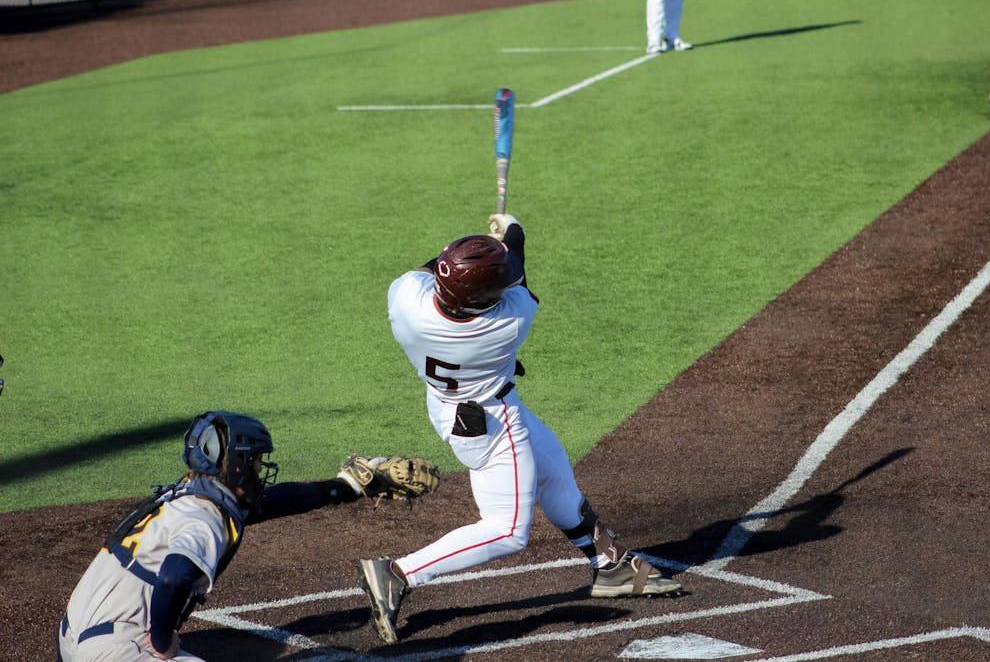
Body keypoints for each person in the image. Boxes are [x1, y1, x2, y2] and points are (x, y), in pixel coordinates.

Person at [357, 214, 684, 645]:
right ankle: (399, 573)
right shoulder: (508, 322)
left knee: (552, 470)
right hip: (494, 422)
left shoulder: (404, 298)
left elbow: (435, 268)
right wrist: (510, 231)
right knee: (508, 530)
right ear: (486, 297)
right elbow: (519, 266)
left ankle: (611, 565)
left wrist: (473, 255)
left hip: (446, 405)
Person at [58, 410, 438, 661]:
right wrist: (161, 640)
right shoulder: (204, 519)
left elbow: (273, 501)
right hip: (114, 649)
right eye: (254, 462)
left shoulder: (187, 494)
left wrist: (346, 486)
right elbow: (175, 576)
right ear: (237, 465)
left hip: (72, 636)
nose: (259, 470)